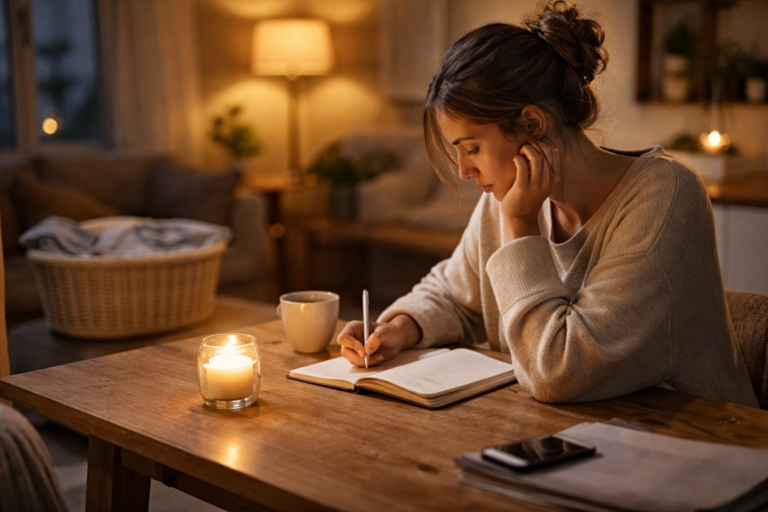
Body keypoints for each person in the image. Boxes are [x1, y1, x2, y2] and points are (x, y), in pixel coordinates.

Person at [337, 1, 758, 408]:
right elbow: (455, 293)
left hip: (696, 447)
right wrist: (398, 328)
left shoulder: (665, 196)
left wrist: (520, 224)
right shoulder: (509, 194)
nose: (465, 171)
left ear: (533, 124)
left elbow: (558, 371)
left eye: (473, 149)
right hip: (567, 438)